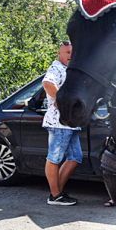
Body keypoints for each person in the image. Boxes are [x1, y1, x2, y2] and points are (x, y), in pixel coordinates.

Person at [42, 41, 81, 206]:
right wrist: (61, 100)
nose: (70, 55)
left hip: (71, 123)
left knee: (75, 157)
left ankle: (56, 193)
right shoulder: (56, 68)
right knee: (54, 158)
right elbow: (47, 83)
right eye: (67, 52)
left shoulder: (69, 69)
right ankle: (56, 194)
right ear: (59, 53)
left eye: (72, 52)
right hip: (59, 122)